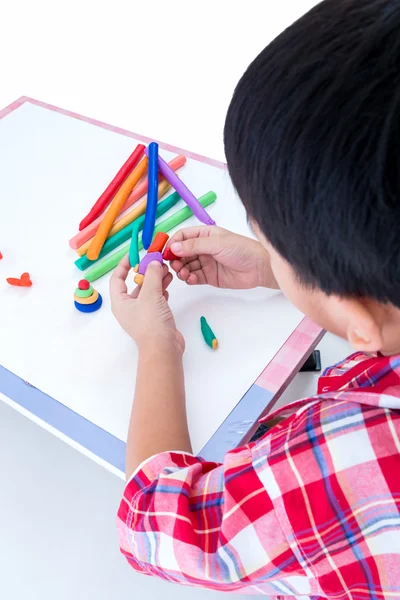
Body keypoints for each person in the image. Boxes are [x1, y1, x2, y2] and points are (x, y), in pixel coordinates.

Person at [112, 0, 400, 596]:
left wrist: (156, 344)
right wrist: (280, 267)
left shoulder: (340, 461)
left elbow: (153, 522)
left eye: (271, 235)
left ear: (356, 316)